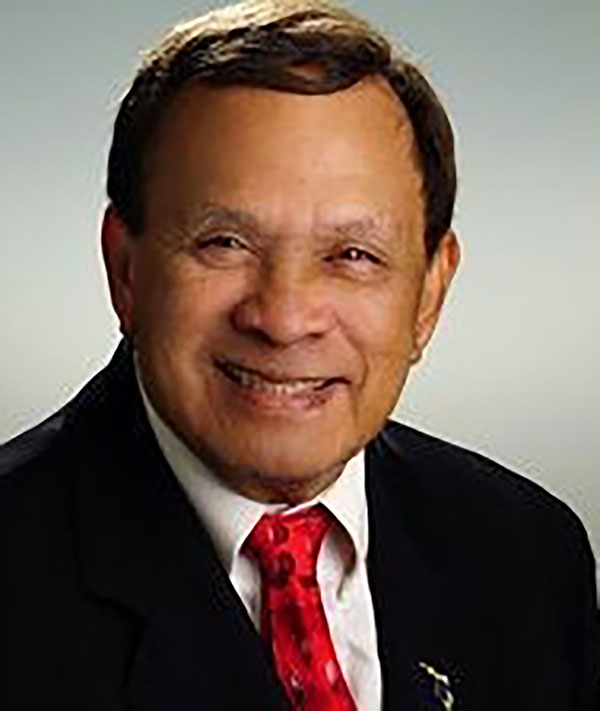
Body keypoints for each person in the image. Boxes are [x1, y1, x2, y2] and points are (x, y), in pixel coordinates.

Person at [1, 1, 598, 709]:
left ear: (430, 294)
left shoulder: (530, 554)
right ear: (125, 270)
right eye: (224, 243)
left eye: (353, 254)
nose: (283, 320)